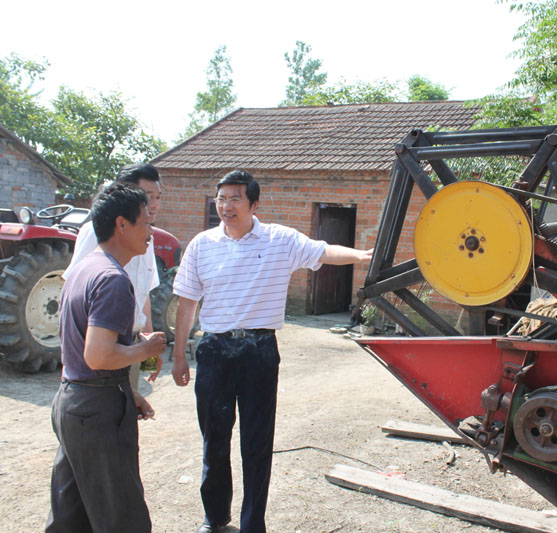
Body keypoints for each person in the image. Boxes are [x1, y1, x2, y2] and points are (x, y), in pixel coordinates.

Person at [170, 170, 372, 533]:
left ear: (254, 205)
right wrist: (180, 355)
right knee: (214, 439)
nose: (226, 206)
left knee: (257, 442)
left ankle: (252, 525)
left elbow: (323, 250)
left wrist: (361, 255)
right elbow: (187, 302)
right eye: (221, 198)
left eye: (235, 199)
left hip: (259, 352)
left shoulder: (280, 239)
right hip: (214, 351)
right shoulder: (201, 244)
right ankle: (215, 518)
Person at [47, 182, 167, 533]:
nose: (151, 232)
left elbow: (84, 352)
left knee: (71, 516)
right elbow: (98, 355)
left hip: (74, 400)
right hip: (96, 412)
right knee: (123, 518)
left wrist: (125, 390)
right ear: (122, 225)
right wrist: (145, 350)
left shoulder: (84, 268)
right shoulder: (113, 279)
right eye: (146, 222)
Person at [62, 163, 163, 390]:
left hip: (131, 345)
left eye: (158, 197)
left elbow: (143, 296)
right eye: (148, 196)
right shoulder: (96, 233)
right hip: (102, 345)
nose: (154, 204)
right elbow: (75, 290)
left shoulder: (146, 238)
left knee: (125, 403)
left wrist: (148, 351)